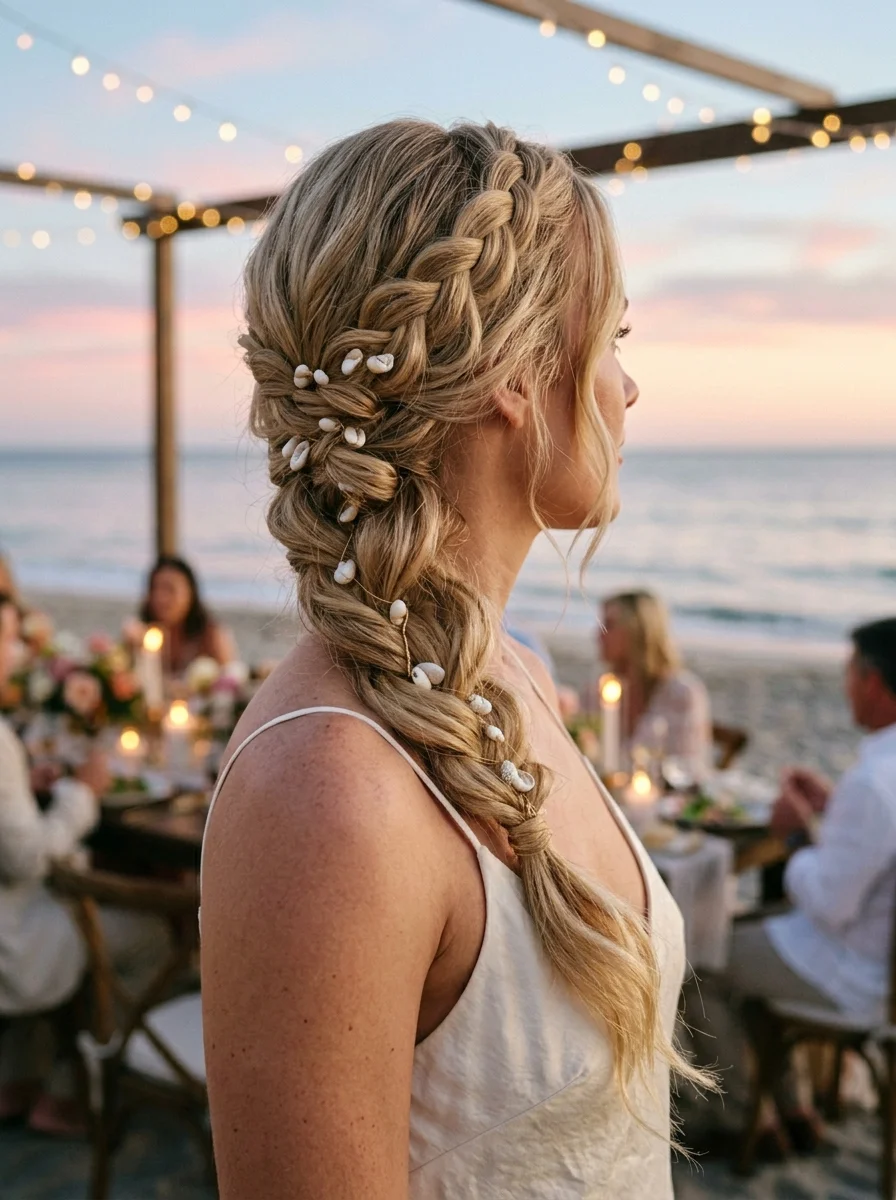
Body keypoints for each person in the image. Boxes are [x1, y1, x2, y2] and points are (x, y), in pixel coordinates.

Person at [201, 119, 712, 1200]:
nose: (628, 391)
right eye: (613, 340)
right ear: (514, 377)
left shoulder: (510, 676)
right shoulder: (328, 793)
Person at [686, 617, 896, 1152]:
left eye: (850, 673)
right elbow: (871, 856)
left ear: (872, 682)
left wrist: (797, 837)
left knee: (698, 957)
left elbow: (830, 904)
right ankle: (794, 1109)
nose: (847, 685)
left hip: (850, 971)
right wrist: (830, 811)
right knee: (737, 933)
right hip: (869, 958)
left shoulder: (875, 781)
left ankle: (741, 1120)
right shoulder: (879, 774)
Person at [0, 592, 169, 1134]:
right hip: (13, 938)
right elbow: (26, 860)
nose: (15, 651)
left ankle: (20, 1079)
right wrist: (82, 792)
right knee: (153, 935)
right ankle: (81, 1089)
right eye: (5, 639)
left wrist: (23, 787)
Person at [598, 589, 712, 773]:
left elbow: (688, 771)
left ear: (638, 631)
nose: (599, 634)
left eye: (608, 625)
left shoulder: (682, 692)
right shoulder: (602, 689)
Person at [137, 555, 236, 677]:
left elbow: (230, 681)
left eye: (169, 589)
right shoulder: (143, 634)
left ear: (190, 593)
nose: (161, 598)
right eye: (155, 589)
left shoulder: (211, 636)